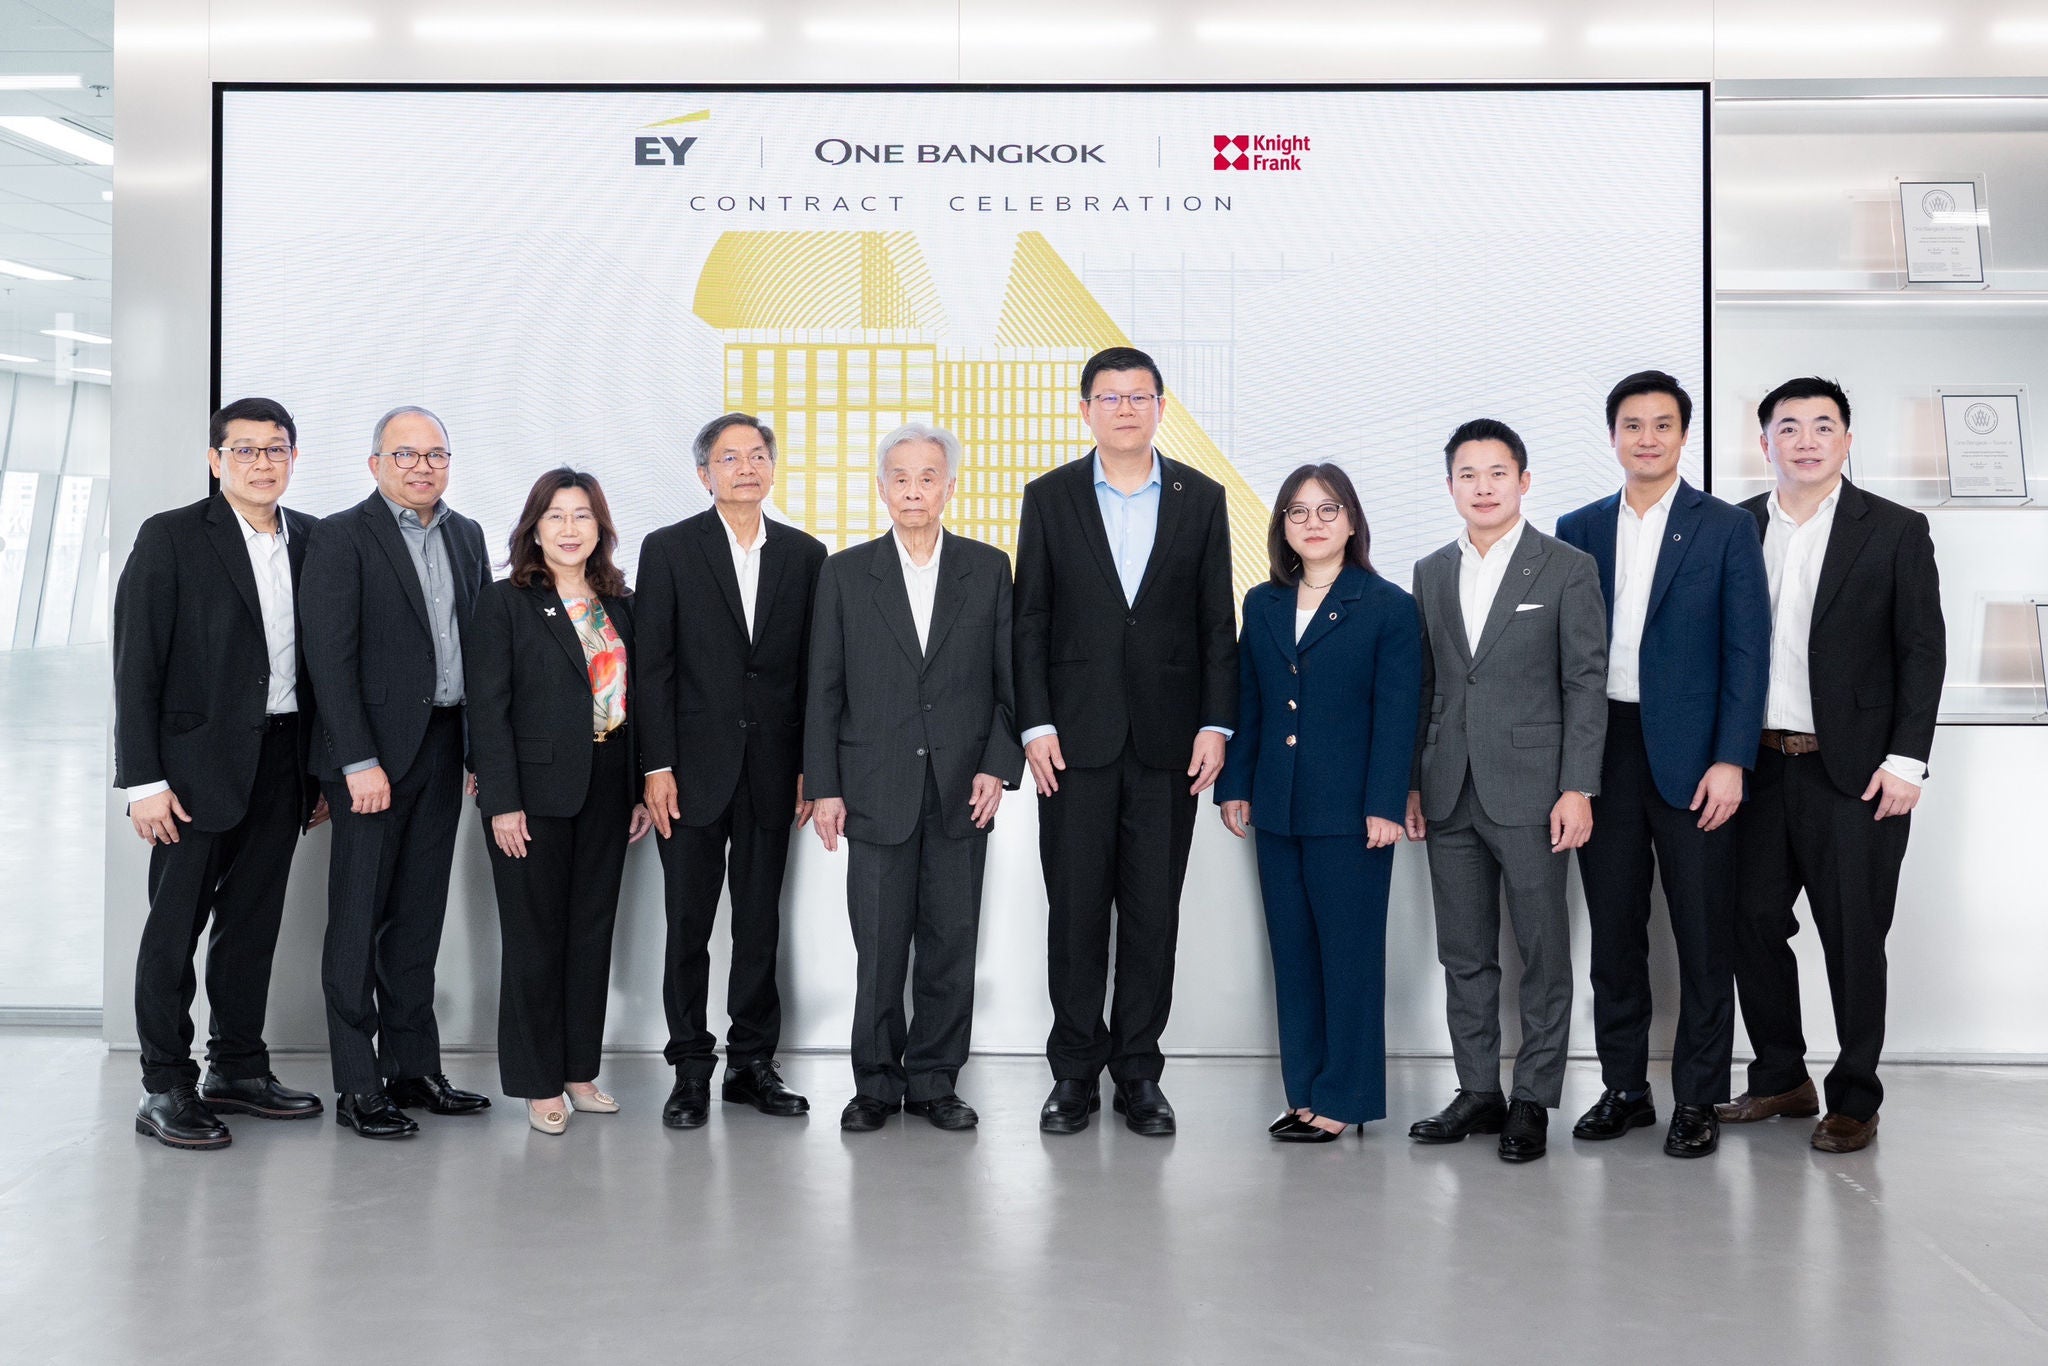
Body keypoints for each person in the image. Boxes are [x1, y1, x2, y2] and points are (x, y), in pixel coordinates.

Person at [1717, 377, 1945, 1154]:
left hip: (1852, 774)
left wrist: (1907, 762)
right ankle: (1781, 1075)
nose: (1806, 440)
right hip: (1755, 768)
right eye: (1789, 427)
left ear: (1847, 440)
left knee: (1853, 936)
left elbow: (1922, 652)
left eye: (1823, 425)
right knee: (1750, 924)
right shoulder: (1736, 527)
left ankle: (1855, 1095)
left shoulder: (1895, 530)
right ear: (1765, 443)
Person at [1014, 345, 1238, 1137]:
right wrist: (1035, 723)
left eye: (1138, 396)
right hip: (1072, 743)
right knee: (1076, 912)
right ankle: (1074, 1072)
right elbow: (1031, 618)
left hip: (1169, 744)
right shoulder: (1049, 497)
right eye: (1108, 397)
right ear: (1085, 411)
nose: (1124, 409)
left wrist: (1216, 722)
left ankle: (1139, 1070)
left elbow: (1216, 620)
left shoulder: (1200, 497)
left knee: (1152, 913)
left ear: (1161, 407)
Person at [1555, 372, 1771, 1158]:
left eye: (1662, 424)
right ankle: (1625, 1088)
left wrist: (1731, 759)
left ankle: (1699, 1098)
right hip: (1603, 747)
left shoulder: (1725, 527)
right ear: (1612, 435)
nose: (1646, 438)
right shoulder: (1578, 528)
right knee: (1614, 931)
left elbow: (1748, 652)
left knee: (1703, 935)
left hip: (1695, 755)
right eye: (1632, 425)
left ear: (1684, 435)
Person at [114, 397, 329, 1150]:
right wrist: (143, 781)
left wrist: (318, 772)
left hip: (284, 760)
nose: (262, 463)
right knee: (174, 930)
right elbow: (136, 663)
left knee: (252, 925)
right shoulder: (171, 536)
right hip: (190, 771)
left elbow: (323, 663)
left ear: (293, 457)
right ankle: (164, 1083)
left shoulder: (312, 539)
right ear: (216, 460)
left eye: (276, 449)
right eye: (245, 450)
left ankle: (236, 1067)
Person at [805, 423, 1024, 1133]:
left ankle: (934, 1081)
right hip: (874, 788)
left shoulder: (987, 569)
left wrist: (997, 765)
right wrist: (824, 785)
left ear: (949, 487)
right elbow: (823, 688)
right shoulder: (845, 573)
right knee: (878, 947)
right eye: (899, 477)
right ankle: (874, 1083)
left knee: (950, 945)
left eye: (928, 477)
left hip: (963, 789)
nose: (913, 490)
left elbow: (1010, 683)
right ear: (881, 488)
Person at [1404, 418, 1607, 1163]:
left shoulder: (1567, 567)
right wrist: (1411, 783)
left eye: (1497, 473)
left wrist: (1578, 785)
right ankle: (1478, 1090)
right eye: (1468, 474)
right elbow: (1423, 685)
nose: (1483, 487)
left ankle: (1533, 1098)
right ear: (1449, 485)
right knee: (1464, 953)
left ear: (1524, 481)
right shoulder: (1429, 570)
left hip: (1534, 791)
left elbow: (1585, 682)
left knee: (1543, 952)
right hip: (1448, 788)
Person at [302, 405, 493, 1139]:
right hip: (371, 758)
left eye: (435, 454)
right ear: (375, 463)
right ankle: (359, 1084)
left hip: (442, 746)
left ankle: (413, 1069)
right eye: (405, 454)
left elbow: (477, 649)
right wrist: (357, 760)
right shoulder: (342, 536)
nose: (422, 467)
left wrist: (478, 751)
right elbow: (329, 658)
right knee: (358, 921)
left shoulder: (467, 534)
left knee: (417, 919)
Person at [1217, 464, 1420, 1141]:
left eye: (1328, 509)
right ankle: (1304, 1091)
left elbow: (1398, 713)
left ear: (1352, 521)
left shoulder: (1387, 605)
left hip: (1351, 812)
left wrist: (1385, 803)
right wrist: (1236, 785)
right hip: (1277, 806)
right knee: (1294, 955)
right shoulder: (1263, 603)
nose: (1313, 523)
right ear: (1282, 526)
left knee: (1349, 958)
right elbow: (1250, 700)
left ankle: (1345, 1098)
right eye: (1298, 511)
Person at [636, 413, 827, 1129]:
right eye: (729, 457)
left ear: (772, 467)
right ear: (703, 473)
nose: (745, 467)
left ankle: (752, 1064)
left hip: (773, 771)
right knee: (687, 924)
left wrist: (811, 767)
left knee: (759, 923)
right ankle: (690, 1067)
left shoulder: (806, 555)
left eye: (756, 455)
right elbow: (652, 669)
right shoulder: (670, 549)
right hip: (688, 774)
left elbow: (813, 673)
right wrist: (655, 766)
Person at [465, 470, 654, 1135]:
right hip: (532, 793)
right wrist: (502, 802)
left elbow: (634, 703)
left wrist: (637, 786)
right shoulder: (504, 602)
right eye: (556, 516)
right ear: (534, 528)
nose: (570, 529)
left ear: (600, 528)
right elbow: (488, 709)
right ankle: (538, 1081)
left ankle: (579, 1070)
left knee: (590, 933)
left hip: (608, 785)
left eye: (583, 516)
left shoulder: (620, 605)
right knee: (534, 938)